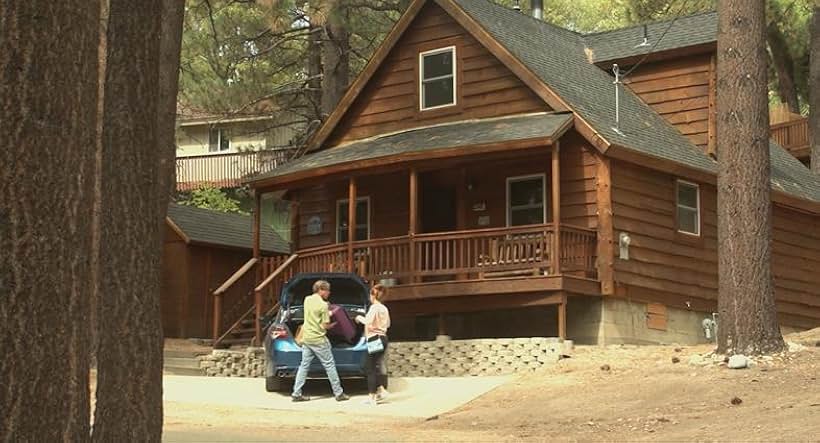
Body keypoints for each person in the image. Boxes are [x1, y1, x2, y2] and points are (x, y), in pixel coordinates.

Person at [291, 280, 349, 402]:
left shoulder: (307, 299)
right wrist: (335, 324)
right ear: (321, 290)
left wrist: (328, 310)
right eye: (328, 290)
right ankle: (339, 393)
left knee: (304, 366)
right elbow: (324, 325)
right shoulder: (322, 305)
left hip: (307, 338)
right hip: (319, 340)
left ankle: (296, 393)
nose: (329, 293)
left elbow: (314, 313)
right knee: (329, 365)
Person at [356, 284, 391, 405]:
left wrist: (358, 317)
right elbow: (387, 325)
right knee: (374, 366)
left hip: (374, 338)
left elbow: (368, 322)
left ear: (373, 295)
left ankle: (372, 396)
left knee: (368, 367)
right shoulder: (384, 308)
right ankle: (380, 389)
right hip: (383, 338)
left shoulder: (374, 308)